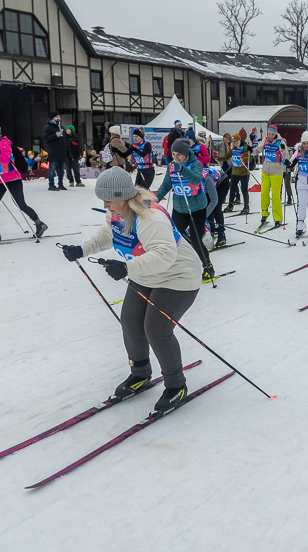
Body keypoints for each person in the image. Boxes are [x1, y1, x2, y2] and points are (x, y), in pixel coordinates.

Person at [61, 167, 201, 411]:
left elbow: (165, 255)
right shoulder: (117, 213)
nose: (105, 205)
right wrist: (81, 250)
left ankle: (176, 387)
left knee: (156, 328)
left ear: (123, 196)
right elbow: (107, 236)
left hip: (178, 277)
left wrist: (127, 268)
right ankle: (140, 375)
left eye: (108, 200)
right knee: (130, 321)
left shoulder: (150, 218)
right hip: (146, 273)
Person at [155, 138, 215, 281]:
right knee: (173, 238)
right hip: (179, 208)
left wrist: (182, 170)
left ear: (186, 153)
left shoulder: (195, 164)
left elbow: (196, 179)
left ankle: (208, 266)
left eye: (178, 155)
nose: (175, 158)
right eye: (173, 154)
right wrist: (156, 198)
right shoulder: (171, 166)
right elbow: (165, 185)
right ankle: (177, 267)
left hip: (197, 208)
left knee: (196, 238)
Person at [0, 121, 46, 242]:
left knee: (21, 204)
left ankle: (39, 224)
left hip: (11, 178)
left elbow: (5, 159)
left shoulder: (4, 142)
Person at [253, 125, 288, 229]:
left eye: (273, 134)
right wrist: (250, 151)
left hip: (276, 171)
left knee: (276, 195)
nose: (271, 136)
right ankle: (264, 214)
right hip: (265, 170)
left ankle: (278, 218)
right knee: (264, 193)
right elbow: (258, 149)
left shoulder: (280, 142)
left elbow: (286, 156)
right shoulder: (265, 140)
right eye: (269, 134)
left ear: (276, 134)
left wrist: (283, 151)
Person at [287, 131, 308, 238]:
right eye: (304, 143)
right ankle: (299, 227)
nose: (306, 145)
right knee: (301, 204)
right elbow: (291, 163)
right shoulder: (298, 152)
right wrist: (288, 163)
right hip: (301, 181)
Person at [42, 112, 68, 190]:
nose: (58, 118)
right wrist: (55, 136)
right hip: (53, 151)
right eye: (57, 116)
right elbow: (45, 137)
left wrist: (67, 150)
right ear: (52, 117)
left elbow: (66, 140)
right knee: (52, 169)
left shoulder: (61, 127)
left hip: (62, 152)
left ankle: (60, 184)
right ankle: (51, 185)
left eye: (59, 116)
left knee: (61, 170)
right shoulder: (48, 127)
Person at [206, 163, 229, 248]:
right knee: (206, 206)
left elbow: (214, 200)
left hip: (222, 182)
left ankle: (221, 235)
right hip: (211, 184)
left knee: (216, 207)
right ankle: (211, 230)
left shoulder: (204, 178)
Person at [225, 136, 251, 212]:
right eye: (232, 141)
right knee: (232, 188)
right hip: (234, 173)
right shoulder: (232, 149)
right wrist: (218, 158)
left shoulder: (244, 148)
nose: (234, 143)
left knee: (244, 189)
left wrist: (244, 159)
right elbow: (226, 156)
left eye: (235, 141)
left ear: (239, 141)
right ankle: (230, 205)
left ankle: (246, 206)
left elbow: (250, 158)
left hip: (244, 173)